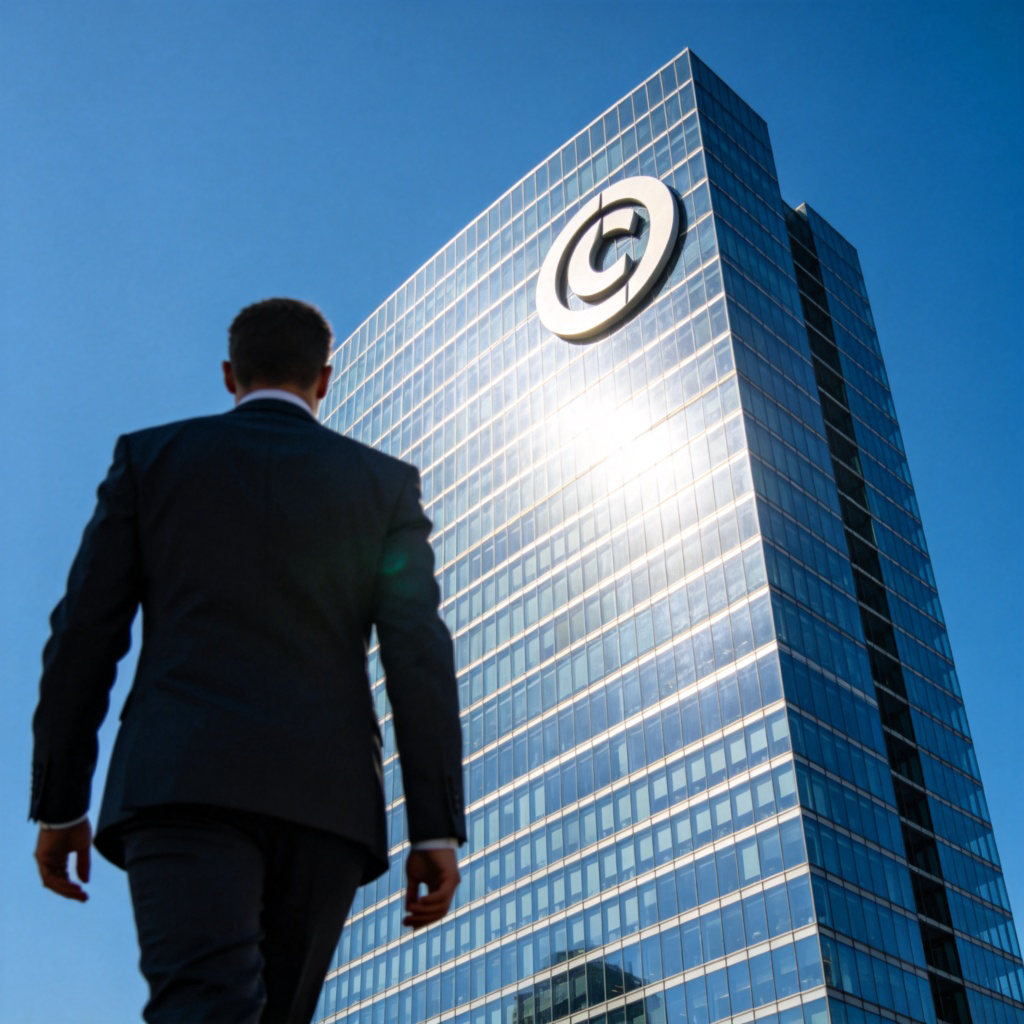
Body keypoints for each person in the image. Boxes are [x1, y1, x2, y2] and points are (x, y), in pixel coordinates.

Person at [30, 297, 466, 1023]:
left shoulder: (151, 460)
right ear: (324, 380)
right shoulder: (384, 486)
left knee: (203, 1008)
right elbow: (419, 659)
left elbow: (82, 637)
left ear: (230, 373)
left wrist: (60, 802)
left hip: (180, 782)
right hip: (327, 804)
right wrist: (433, 827)